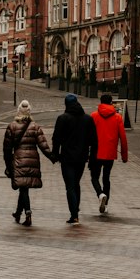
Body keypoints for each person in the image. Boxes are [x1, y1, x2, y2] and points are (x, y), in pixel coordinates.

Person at [3, 98, 53, 227]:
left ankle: (28, 213)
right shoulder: (35, 127)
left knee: (23, 188)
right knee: (23, 187)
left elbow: (7, 149)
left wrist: (8, 165)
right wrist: (52, 157)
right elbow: (43, 145)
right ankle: (18, 212)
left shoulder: (12, 126)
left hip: (19, 159)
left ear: (18, 110)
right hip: (32, 159)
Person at [51, 93, 95, 224]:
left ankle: (74, 214)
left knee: (69, 186)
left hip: (67, 158)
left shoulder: (62, 118)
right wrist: (91, 157)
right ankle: (75, 210)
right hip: (81, 157)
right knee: (76, 184)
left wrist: (55, 154)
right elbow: (93, 140)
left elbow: (56, 139)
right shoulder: (87, 119)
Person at [89, 92, 129, 214]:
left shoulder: (94, 116)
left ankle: (100, 194)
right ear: (111, 102)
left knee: (94, 177)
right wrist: (124, 155)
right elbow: (123, 137)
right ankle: (105, 204)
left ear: (100, 102)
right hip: (110, 153)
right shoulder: (117, 117)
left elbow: (88, 135)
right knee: (106, 177)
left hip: (96, 152)